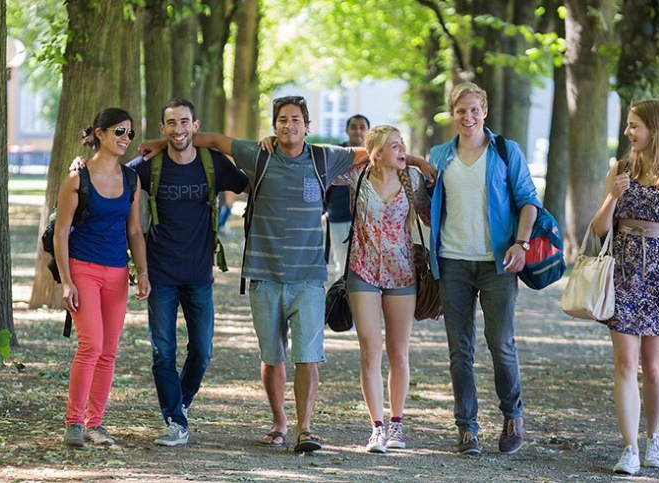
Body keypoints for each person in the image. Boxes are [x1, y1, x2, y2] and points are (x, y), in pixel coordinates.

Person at [139, 95, 436, 453]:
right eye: (282, 119)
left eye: (296, 119)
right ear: (274, 124)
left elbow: (369, 152)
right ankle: (279, 422)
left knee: (308, 356)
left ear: (306, 126)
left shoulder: (323, 157)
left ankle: (304, 428)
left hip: (309, 275)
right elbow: (216, 140)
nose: (289, 125)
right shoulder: (258, 154)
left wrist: (414, 159)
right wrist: (166, 142)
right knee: (272, 356)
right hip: (264, 273)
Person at [427, 82, 540, 456]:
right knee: (460, 350)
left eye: (474, 109)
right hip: (454, 262)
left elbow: (528, 201)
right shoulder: (440, 155)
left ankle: (512, 417)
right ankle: (467, 428)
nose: (468, 117)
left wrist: (521, 244)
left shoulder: (506, 152)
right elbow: (430, 205)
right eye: (461, 110)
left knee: (501, 344)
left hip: (498, 264)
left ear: (485, 111)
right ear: (452, 114)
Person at [127, 97, 248, 446]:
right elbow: (114, 180)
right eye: (171, 123)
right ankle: (176, 421)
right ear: (163, 128)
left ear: (195, 126)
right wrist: (80, 165)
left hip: (199, 274)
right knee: (162, 352)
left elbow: (251, 185)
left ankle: (178, 404)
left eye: (184, 122)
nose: (178, 129)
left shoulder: (213, 163)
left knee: (203, 351)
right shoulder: (149, 166)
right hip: (160, 273)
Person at [591, 99, 659, 475]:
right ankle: (629, 447)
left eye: (634, 125)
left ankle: (655, 436)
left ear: (654, 128)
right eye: (628, 125)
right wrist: (612, 196)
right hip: (624, 274)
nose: (628, 132)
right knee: (625, 363)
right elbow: (599, 229)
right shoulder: (619, 169)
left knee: (654, 367)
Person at [55, 107, 151, 447]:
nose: (125, 138)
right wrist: (66, 281)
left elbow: (135, 231)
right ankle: (74, 424)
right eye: (119, 132)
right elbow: (61, 233)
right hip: (83, 269)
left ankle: (96, 423)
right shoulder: (77, 179)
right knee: (91, 345)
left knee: (109, 350)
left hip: (117, 273)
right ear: (100, 133)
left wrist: (142, 272)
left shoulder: (131, 179)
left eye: (129, 133)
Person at [331, 125, 430, 453]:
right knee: (370, 351)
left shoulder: (412, 180)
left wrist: (419, 165)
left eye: (403, 144)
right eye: (394, 146)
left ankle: (397, 425)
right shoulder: (355, 176)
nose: (402, 150)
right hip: (363, 271)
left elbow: (431, 217)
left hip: (402, 273)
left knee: (398, 352)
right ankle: (376, 428)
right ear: (375, 153)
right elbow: (322, 165)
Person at [326, 114, 370, 275]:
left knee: (366, 262)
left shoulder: (374, 155)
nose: (358, 131)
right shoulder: (336, 153)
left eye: (362, 127)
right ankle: (341, 298)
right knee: (342, 261)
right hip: (338, 214)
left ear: (368, 131)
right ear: (346, 130)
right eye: (353, 127)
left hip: (367, 217)